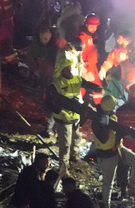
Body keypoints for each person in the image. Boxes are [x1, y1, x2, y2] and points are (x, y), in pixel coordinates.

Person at [84, 95, 135, 207]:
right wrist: (105, 124)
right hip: (106, 155)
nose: (114, 108)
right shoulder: (97, 121)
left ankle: (132, 188)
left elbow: (116, 132)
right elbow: (104, 138)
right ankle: (107, 207)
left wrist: (121, 136)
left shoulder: (111, 116)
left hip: (117, 149)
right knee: (108, 184)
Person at [50, 41, 84, 182]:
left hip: (75, 115)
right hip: (64, 118)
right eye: (67, 69)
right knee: (65, 143)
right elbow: (51, 103)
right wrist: (60, 112)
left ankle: (74, 155)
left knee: (76, 137)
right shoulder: (57, 83)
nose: (70, 70)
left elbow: (81, 89)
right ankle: (63, 169)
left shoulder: (75, 78)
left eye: (70, 68)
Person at [24, 24, 64, 90]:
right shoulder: (36, 45)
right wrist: (35, 69)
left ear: (50, 35)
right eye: (41, 39)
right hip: (40, 74)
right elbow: (29, 57)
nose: (43, 41)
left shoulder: (57, 44)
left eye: (46, 39)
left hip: (54, 76)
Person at [79, 14, 105, 101]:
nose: (94, 29)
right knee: (80, 89)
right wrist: (83, 70)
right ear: (86, 25)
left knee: (98, 90)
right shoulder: (81, 37)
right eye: (92, 26)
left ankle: (101, 108)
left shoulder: (93, 36)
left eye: (95, 27)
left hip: (92, 68)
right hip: (84, 69)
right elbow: (79, 55)